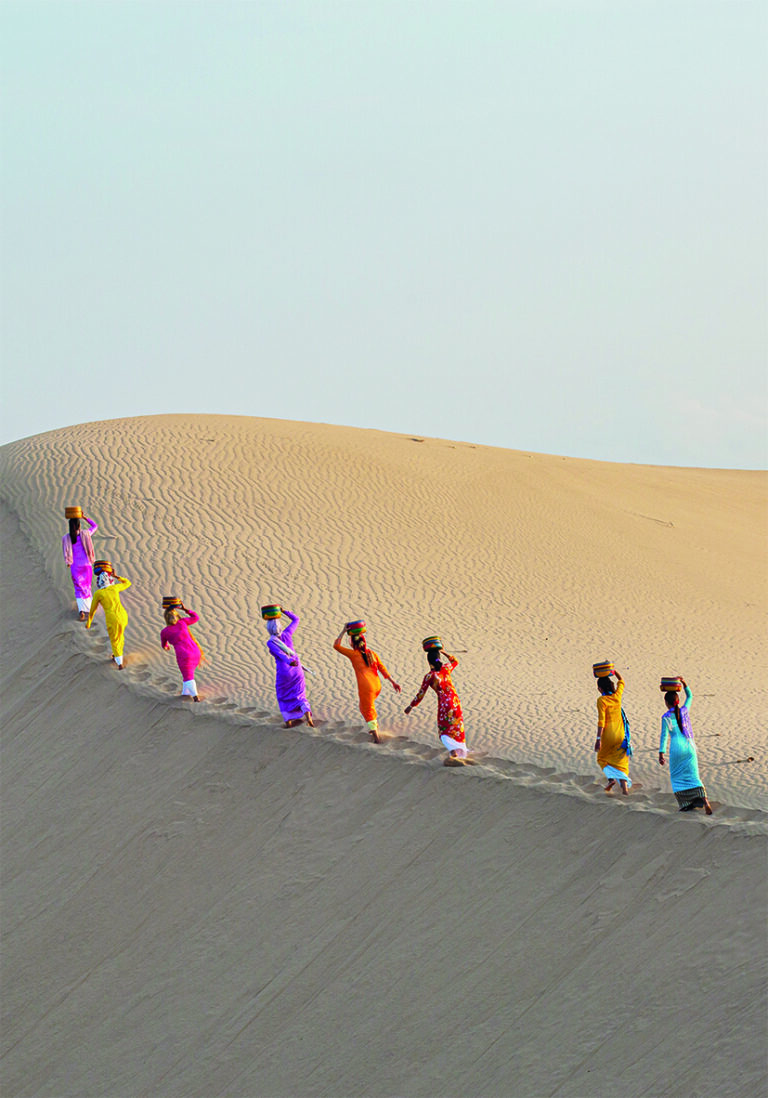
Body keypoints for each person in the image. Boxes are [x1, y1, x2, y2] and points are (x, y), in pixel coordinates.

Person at [333, 625, 401, 742]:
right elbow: (382, 668)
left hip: (366, 687)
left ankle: (376, 737)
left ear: (353, 644)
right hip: (377, 685)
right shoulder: (372, 654)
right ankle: (373, 728)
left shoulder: (353, 654)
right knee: (369, 708)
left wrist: (344, 631)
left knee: (367, 710)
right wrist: (392, 682)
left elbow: (336, 646)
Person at [404, 647, 468, 764]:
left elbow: (421, 693)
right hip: (455, 702)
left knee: (444, 731)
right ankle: (460, 752)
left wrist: (411, 706)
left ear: (429, 662)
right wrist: (443, 652)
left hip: (444, 705)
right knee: (457, 728)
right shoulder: (445, 668)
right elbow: (455, 661)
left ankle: (453, 751)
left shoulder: (430, 676)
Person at [658, 678, 713, 814]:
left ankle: (686, 803)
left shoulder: (665, 717)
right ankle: (704, 799)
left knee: (677, 776)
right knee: (693, 775)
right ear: (677, 701)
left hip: (676, 747)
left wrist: (661, 753)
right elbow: (690, 696)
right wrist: (684, 683)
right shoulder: (684, 710)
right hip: (689, 746)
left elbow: (664, 736)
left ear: (666, 703)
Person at [264, 607, 314, 727]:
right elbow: (296, 619)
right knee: (300, 694)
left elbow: (281, 655)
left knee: (283, 696)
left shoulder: (271, 642)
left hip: (284, 671)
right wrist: (283, 611)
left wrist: (289, 661)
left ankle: (289, 723)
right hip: (297, 670)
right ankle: (307, 714)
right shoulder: (287, 633)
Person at [594, 669, 632, 794]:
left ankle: (611, 779)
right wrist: (614, 672)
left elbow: (601, 721)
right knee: (621, 761)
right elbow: (622, 682)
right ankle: (625, 789)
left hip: (608, 735)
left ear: (600, 689)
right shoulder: (617, 696)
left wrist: (598, 739)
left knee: (603, 758)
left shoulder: (601, 701)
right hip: (621, 734)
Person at [86, 568, 131, 669]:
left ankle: (119, 663)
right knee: (120, 636)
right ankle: (117, 655)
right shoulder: (114, 588)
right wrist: (116, 576)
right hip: (123, 616)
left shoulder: (98, 594)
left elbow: (92, 609)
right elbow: (128, 583)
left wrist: (89, 622)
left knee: (114, 639)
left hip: (112, 618)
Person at [161, 603, 203, 701]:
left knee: (188, 677)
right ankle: (185, 693)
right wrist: (185, 609)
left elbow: (164, 645)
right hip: (195, 652)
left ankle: (195, 697)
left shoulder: (165, 632)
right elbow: (195, 617)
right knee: (187, 675)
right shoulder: (182, 623)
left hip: (184, 655)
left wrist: (166, 647)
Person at [62, 512, 98, 620]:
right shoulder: (85, 534)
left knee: (78, 588)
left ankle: (82, 611)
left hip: (75, 566)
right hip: (86, 565)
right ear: (79, 526)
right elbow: (95, 526)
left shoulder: (66, 538)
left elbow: (65, 551)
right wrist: (85, 517)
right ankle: (89, 608)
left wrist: (68, 562)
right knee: (87, 587)